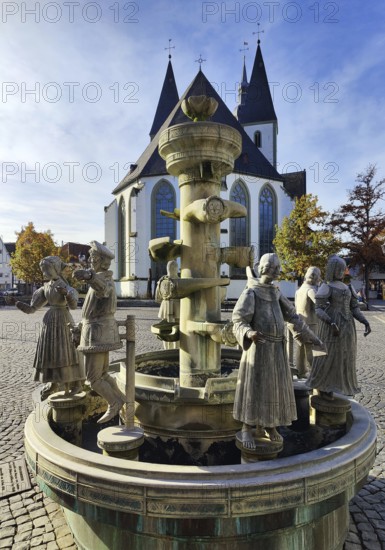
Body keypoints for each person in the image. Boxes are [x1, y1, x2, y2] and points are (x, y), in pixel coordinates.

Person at [232, 253, 323, 449]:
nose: (277, 271)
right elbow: (238, 319)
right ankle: (247, 427)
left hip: (276, 350)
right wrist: (248, 333)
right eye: (273, 267)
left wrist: (312, 338)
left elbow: (294, 317)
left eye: (278, 267)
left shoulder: (276, 292)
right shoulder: (251, 292)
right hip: (258, 350)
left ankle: (270, 425)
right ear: (264, 268)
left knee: (273, 388)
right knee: (255, 388)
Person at [7, 256, 84, 399]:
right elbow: (32, 309)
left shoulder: (66, 287)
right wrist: (16, 302)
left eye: (47, 270)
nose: (44, 273)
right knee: (50, 352)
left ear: (55, 269)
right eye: (43, 270)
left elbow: (73, 306)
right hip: (49, 322)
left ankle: (76, 384)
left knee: (67, 352)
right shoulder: (45, 288)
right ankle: (53, 383)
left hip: (64, 320)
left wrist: (66, 294)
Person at [73, 241, 125, 424]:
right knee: (102, 374)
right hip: (94, 332)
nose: (90, 260)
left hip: (97, 334)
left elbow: (103, 290)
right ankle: (121, 399)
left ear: (102, 262)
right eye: (90, 257)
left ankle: (114, 402)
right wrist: (80, 327)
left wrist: (89, 277)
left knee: (93, 378)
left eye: (93, 258)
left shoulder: (103, 280)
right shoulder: (102, 278)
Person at [306, 255, 371, 399]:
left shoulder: (348, 287)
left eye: (344, 268)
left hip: (347, 327)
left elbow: (354, 308)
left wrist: (364, 321)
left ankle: (343, 385)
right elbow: (318, 308)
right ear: (333, 270)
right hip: (331, 328)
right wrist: (331, 322)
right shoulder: (326, 286)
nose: (342, 271)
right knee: (328, 356)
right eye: (339, 269)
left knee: (345, 356)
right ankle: (324, 386)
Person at [294, 266, 321, 378]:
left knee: (300, 348)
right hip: (311, 323)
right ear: (315, 277)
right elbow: (319, 305)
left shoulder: (299, 290)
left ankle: (300, 371)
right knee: (310, 348)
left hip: (300, 323)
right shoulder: (311, 290)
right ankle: (313, 372)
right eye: (319, 276)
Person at [155, 260, 180, 349]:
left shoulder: (161, 281)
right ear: (176, 269)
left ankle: (166, 350)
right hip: (177, 308)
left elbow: (157, 298)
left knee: (164, 329)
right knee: (177, 330)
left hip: (164, 308)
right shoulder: (180, 282)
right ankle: (175, 351)